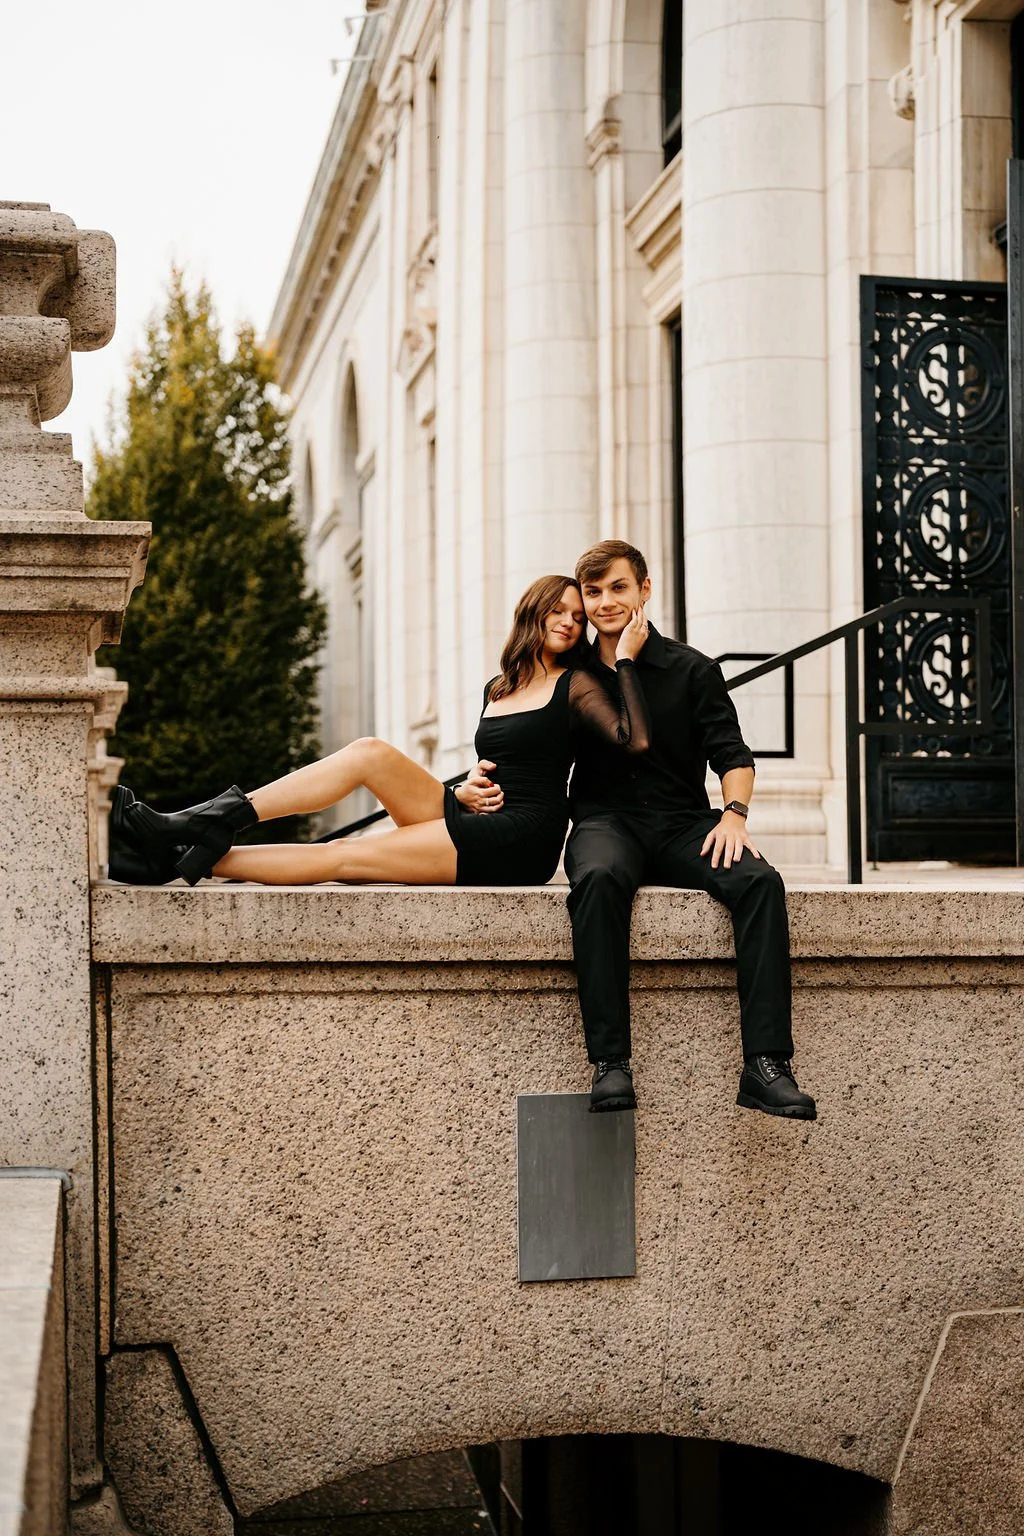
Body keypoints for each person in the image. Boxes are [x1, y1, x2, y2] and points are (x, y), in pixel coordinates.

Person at [109, 574, 651, 894]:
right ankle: (206, 822)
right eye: (558, 610)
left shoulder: (578, 682)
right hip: (473, 811)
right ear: (533, 613)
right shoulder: (500, 686)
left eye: (578, 618)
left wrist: (624, 659)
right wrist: (462, 789)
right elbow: (509, 757)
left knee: (346, 855)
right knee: (369, 753)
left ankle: (182, 855)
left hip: (521, 838)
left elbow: (633, 739)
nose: (569, 622)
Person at [560, 539, 816, 1121]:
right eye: (593, 592)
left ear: (645, 590)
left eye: (618, 588)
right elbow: (531, 749)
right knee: (597, 879)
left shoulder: (692, 668)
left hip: (683, 824)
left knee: (759, 882)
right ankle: (610, 1063)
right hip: (605, 824)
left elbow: (733, 755)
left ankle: (766, 1067)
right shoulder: (568, 674)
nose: (604, 603)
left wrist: (734, 815)